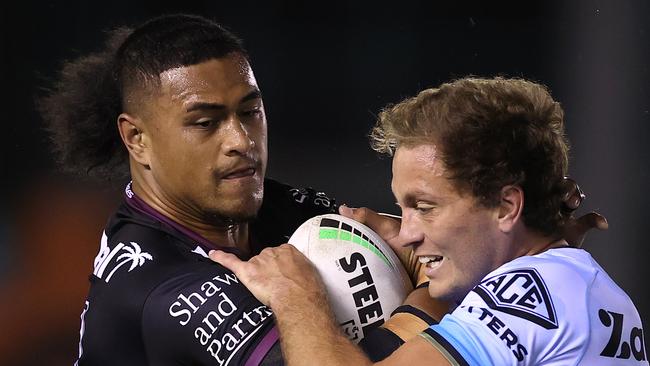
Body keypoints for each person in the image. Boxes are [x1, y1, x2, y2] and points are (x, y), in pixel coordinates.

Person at [211, 77, 647, 365]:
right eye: (402, 208)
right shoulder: (575, 287)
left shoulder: (530, 296)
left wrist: (296, 296)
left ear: (506, 207)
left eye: (425, 206)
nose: (406, 232)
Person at [38, 14, 340, 365]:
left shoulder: (277, 209)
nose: (241, 141)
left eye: (250, 111)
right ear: (138, 139)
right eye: (206, 123)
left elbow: (413, 253)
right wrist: (299, 300)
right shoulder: (159, 289)